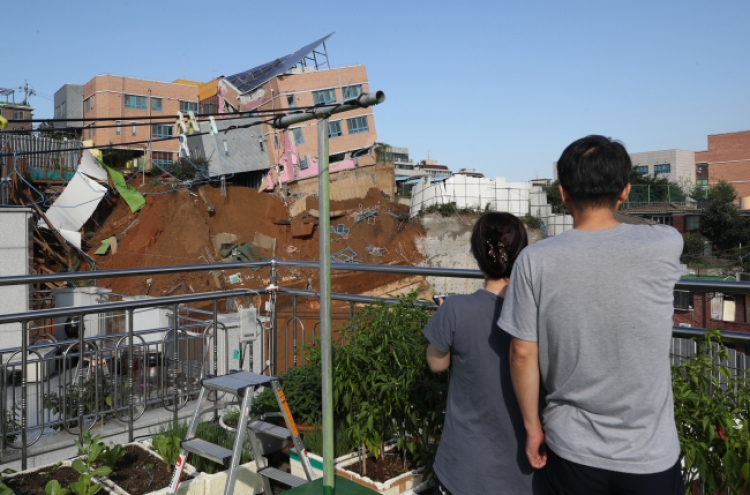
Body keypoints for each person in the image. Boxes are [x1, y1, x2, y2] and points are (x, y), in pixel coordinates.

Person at [500, 135, 684, 494]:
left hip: (571, 450)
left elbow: (521, 352)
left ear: (563, 193)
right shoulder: (665, 243)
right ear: (626, 191)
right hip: (652, 456)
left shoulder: (534, 261)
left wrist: (532, 428)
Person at [423, 212, 545, 495]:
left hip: (463, 471)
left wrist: (445, 323)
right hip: (527, 474)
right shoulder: (539, 313)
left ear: (478, 256)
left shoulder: (455, 310)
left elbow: (436, 364)